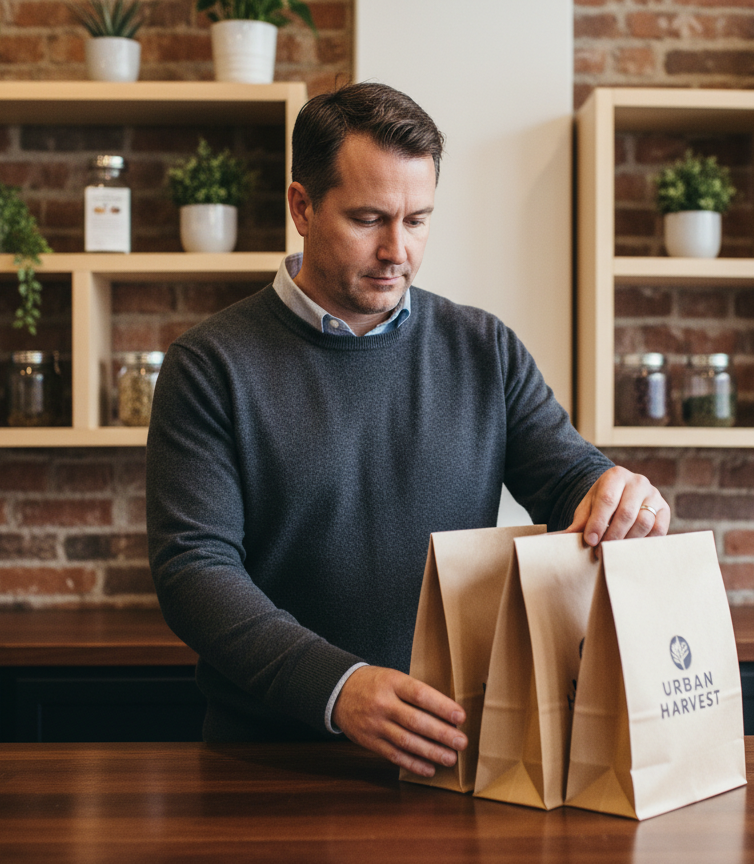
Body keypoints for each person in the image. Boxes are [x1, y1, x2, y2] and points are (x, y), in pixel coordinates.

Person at [146, 82, 670, 778]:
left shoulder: (484, 347)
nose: (399, 250)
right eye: (369, 219)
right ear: (302, 207)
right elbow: (195, 571)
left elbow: (568, 478)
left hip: (451, 758)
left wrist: (615, 489)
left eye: (418, 220)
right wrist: (339, 688)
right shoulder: (210, 366)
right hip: (269, 761)